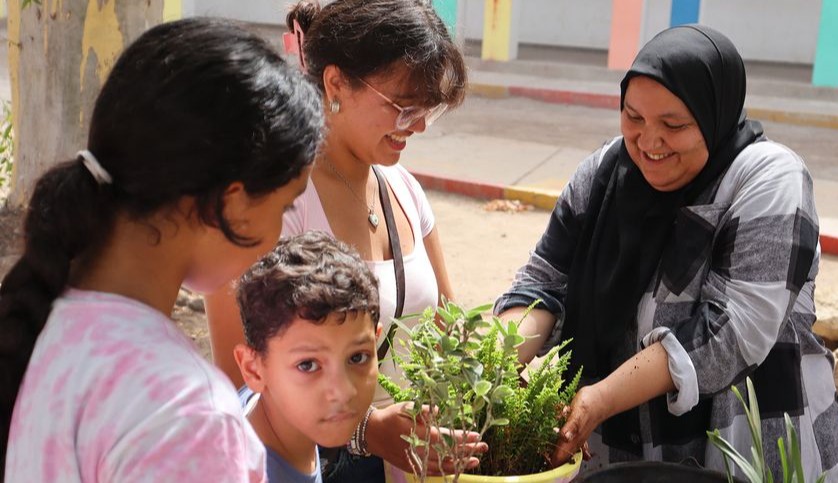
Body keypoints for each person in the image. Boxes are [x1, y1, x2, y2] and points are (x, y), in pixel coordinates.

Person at [495, 24, 838, 482]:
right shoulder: (605, 175)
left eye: (674, 125)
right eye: (633, 117)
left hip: (744, 448)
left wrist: (600, 398)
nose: (648, 142)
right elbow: (543, 284)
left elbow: (731, 331)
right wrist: (497, 362)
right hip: (621, 454)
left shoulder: (770, 180)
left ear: (714, 113)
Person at [0, 18, 324, 481]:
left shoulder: (34, 321)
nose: (281, 236)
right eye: (285, 206)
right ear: (229, 205)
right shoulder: (191, 414)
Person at [204, 1, 485, 481]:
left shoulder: (405, 190)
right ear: (336, 84)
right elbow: (242, 386)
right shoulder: (275, 204)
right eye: (403, 106)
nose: (417, 125)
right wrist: (367, 431)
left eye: (428, 109)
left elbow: (451, 331)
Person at [234, 232, 381, 483]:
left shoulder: (264, 411)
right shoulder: (248, 475)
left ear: (376, 340)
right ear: (254, 370)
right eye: (308, 365)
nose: (343, 391)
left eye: (357, 357)